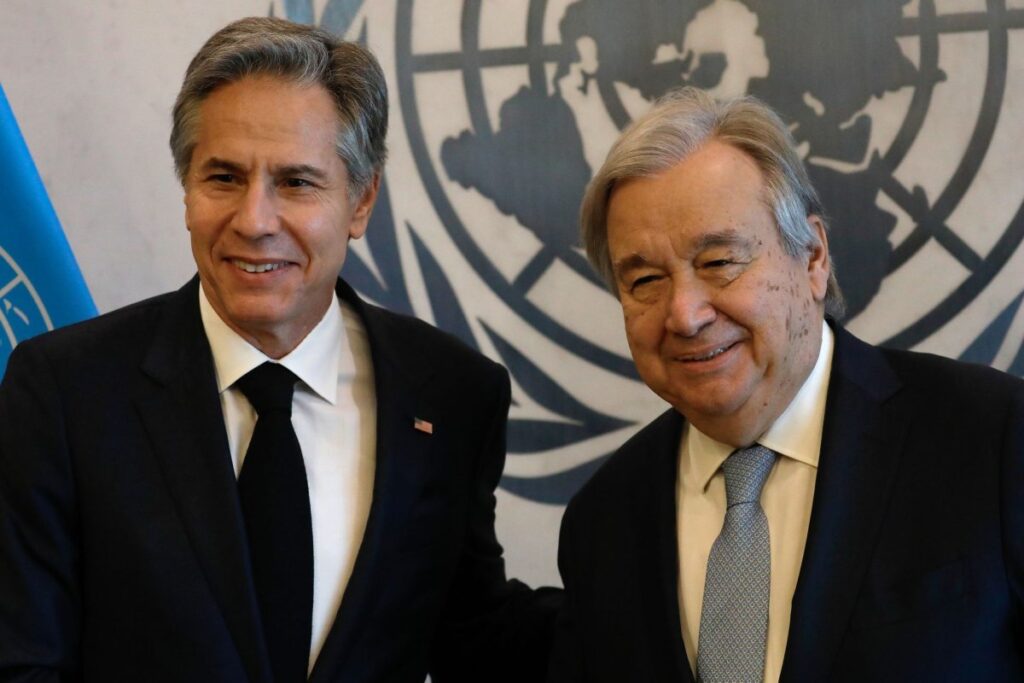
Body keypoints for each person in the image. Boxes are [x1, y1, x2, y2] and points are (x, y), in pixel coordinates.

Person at [0, 17, 557, 683]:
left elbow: (472, 633)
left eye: (296, 182)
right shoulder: (65, 391)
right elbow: (24, 662)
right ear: (187, 189)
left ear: (362, 199)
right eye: (224, 178)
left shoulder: (451, 393)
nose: (255, 220)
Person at [548, 87, 1024, 682]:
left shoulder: (993, 438)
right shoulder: (603, 522)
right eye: (645, 279)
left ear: (814, 257)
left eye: (719, 262)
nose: (685, 315)